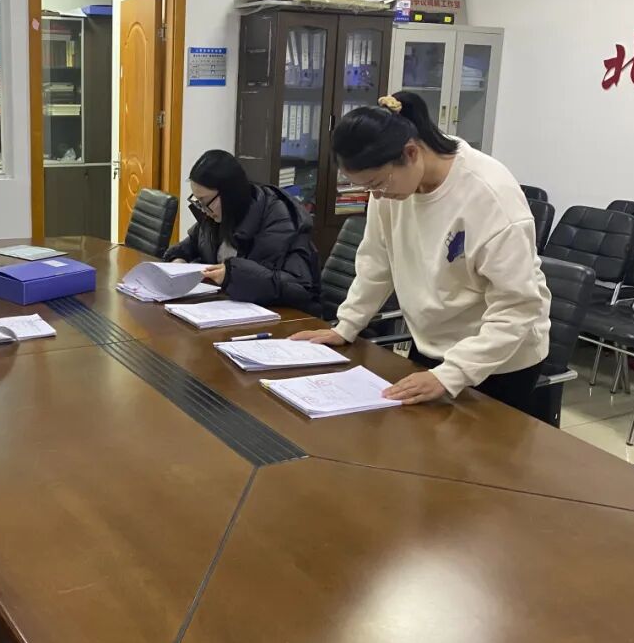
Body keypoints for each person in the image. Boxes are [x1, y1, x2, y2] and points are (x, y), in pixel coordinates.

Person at [292, 92, 552, 421]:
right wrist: (347, 325)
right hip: (433, 342)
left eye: (377, 184)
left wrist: (451, 374)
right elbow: (376, 262)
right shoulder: (391, 189)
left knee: (478, 451)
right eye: (366, 188)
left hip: (499, 359)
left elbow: (518, 308)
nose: (376, 196)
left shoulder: (489, 196)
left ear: (411, 152)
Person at [164, 149, 320, 309]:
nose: (203, 209)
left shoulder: (281, 220)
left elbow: (300, 288)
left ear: (229, 193)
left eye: (205, 202)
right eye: (198, 202)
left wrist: (234, 275)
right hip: (231, 308)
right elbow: (187, 247)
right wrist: (178, 261)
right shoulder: (215, 216)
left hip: (285, 316)